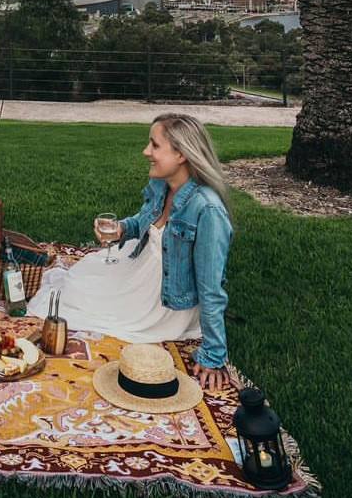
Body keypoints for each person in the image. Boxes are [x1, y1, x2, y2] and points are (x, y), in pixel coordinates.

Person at [28, 113, 232, 391]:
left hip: (165, 300)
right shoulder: (165, 185)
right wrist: (123, 228)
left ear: (181, 154)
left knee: (79, 301)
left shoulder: (207, 210)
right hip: (142, 268)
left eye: (154, 145)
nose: (145, 152)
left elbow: (211, 288)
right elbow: (144, 220)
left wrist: (213, 356)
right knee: (75, 282)